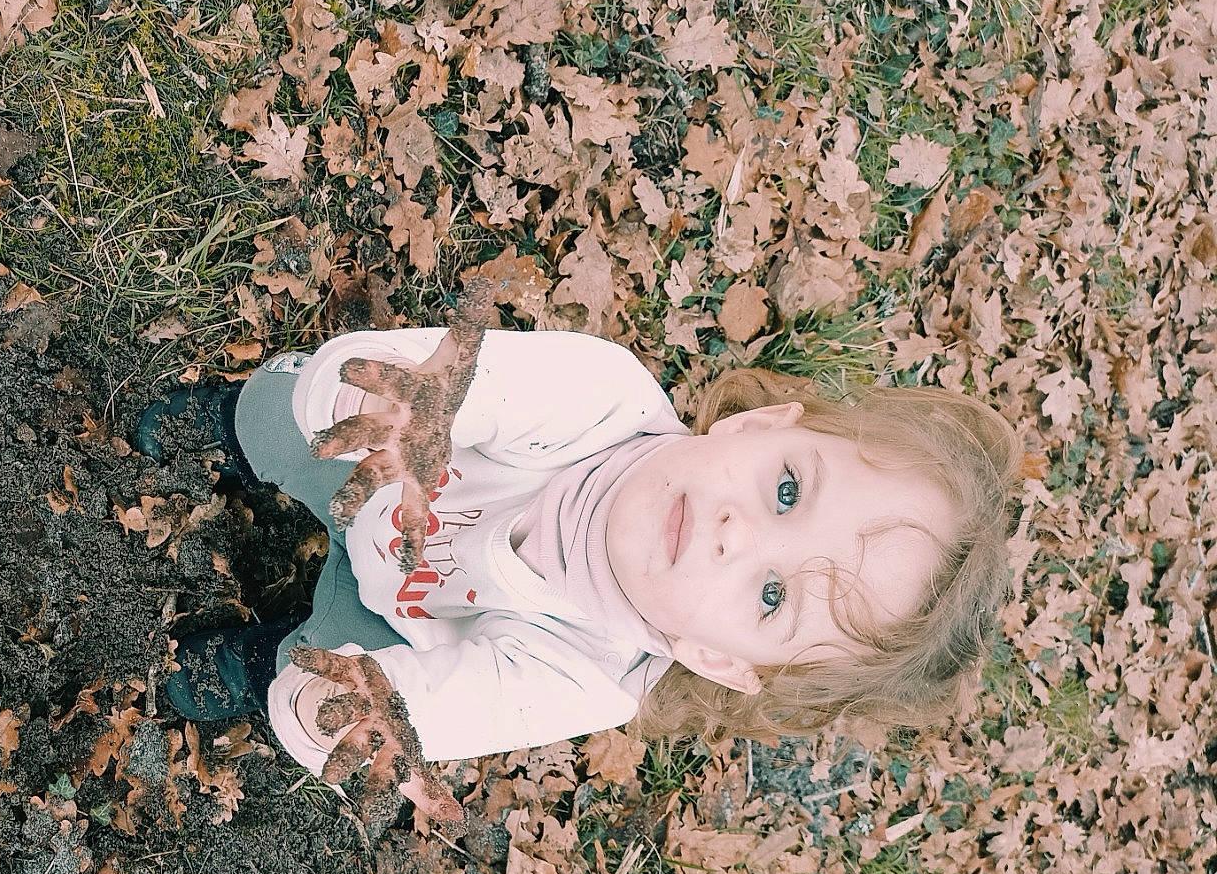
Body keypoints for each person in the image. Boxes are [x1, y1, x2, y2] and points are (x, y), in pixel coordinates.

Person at [135, 288, 1024, 826]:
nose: (738, 532)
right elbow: (472, 385)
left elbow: (448, 704)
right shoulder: (605, 396)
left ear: (716, 658)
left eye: (770, 596)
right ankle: (230, 429)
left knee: (326, 687)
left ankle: (261, 662)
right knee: (295, 415)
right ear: (756, 427)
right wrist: (412, 404)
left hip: (391, 621)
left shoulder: (596, 677)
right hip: (374, 466)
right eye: (786, 489)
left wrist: (357, 715)